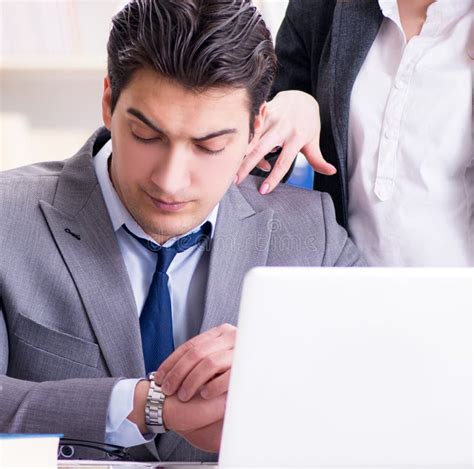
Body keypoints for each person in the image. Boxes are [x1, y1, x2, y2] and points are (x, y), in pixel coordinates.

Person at [0, 0, 364, 463]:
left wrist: (280, 366)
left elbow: (375, 390)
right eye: (146, 136)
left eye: (209, 146)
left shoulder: (310, 232)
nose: (171, 180)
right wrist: (147, 405)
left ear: (255, 130)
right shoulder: (7, 217)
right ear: (109, 103)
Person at [238, 0, 473, 267]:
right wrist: (293, 104)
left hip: (461, 294)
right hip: (342, 284)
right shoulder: (319, 8)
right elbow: (240, 160)